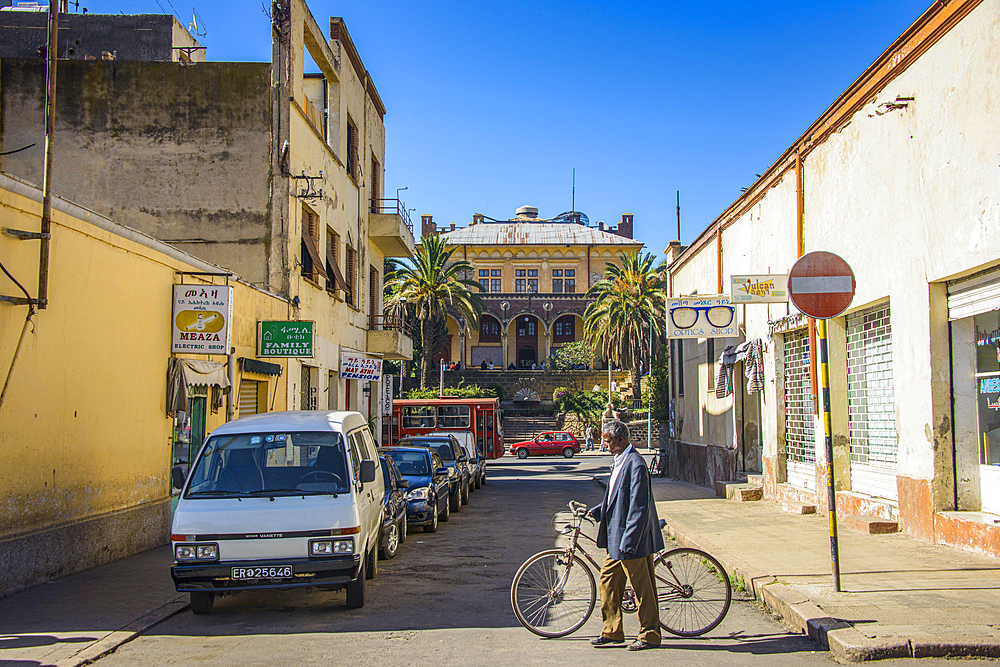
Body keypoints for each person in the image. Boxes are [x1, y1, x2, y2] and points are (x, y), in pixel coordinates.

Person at [588, 420, 664, 651]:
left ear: (621, 440)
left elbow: (638, 507)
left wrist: (629, 542)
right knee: (608, 581)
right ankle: (612, 631)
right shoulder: (620, 461)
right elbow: (615, 496)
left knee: (642, 588)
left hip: (632, 541)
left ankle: (649, 634)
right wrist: (598, 511)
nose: (605, 445)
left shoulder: (636, 464)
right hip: (617, 540)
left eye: (608, 441)